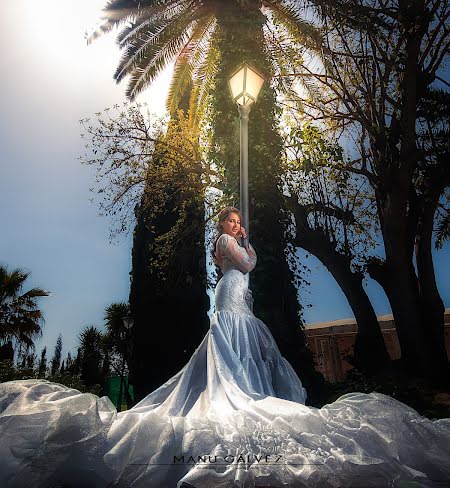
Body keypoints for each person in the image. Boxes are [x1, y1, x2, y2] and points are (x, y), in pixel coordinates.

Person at [0, 207, 449, 488]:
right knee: (233, 344)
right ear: (225, 225)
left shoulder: (229, 242)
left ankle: (245, 388)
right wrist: (246, 246)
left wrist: (246, 257)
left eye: (239, 221)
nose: (237, 225)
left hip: (234, 298)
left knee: (243, 347)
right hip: (231, 298)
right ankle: (237, 393)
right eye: (232, 221)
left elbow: (246, 268)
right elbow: (249, 263)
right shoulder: (229, 242)